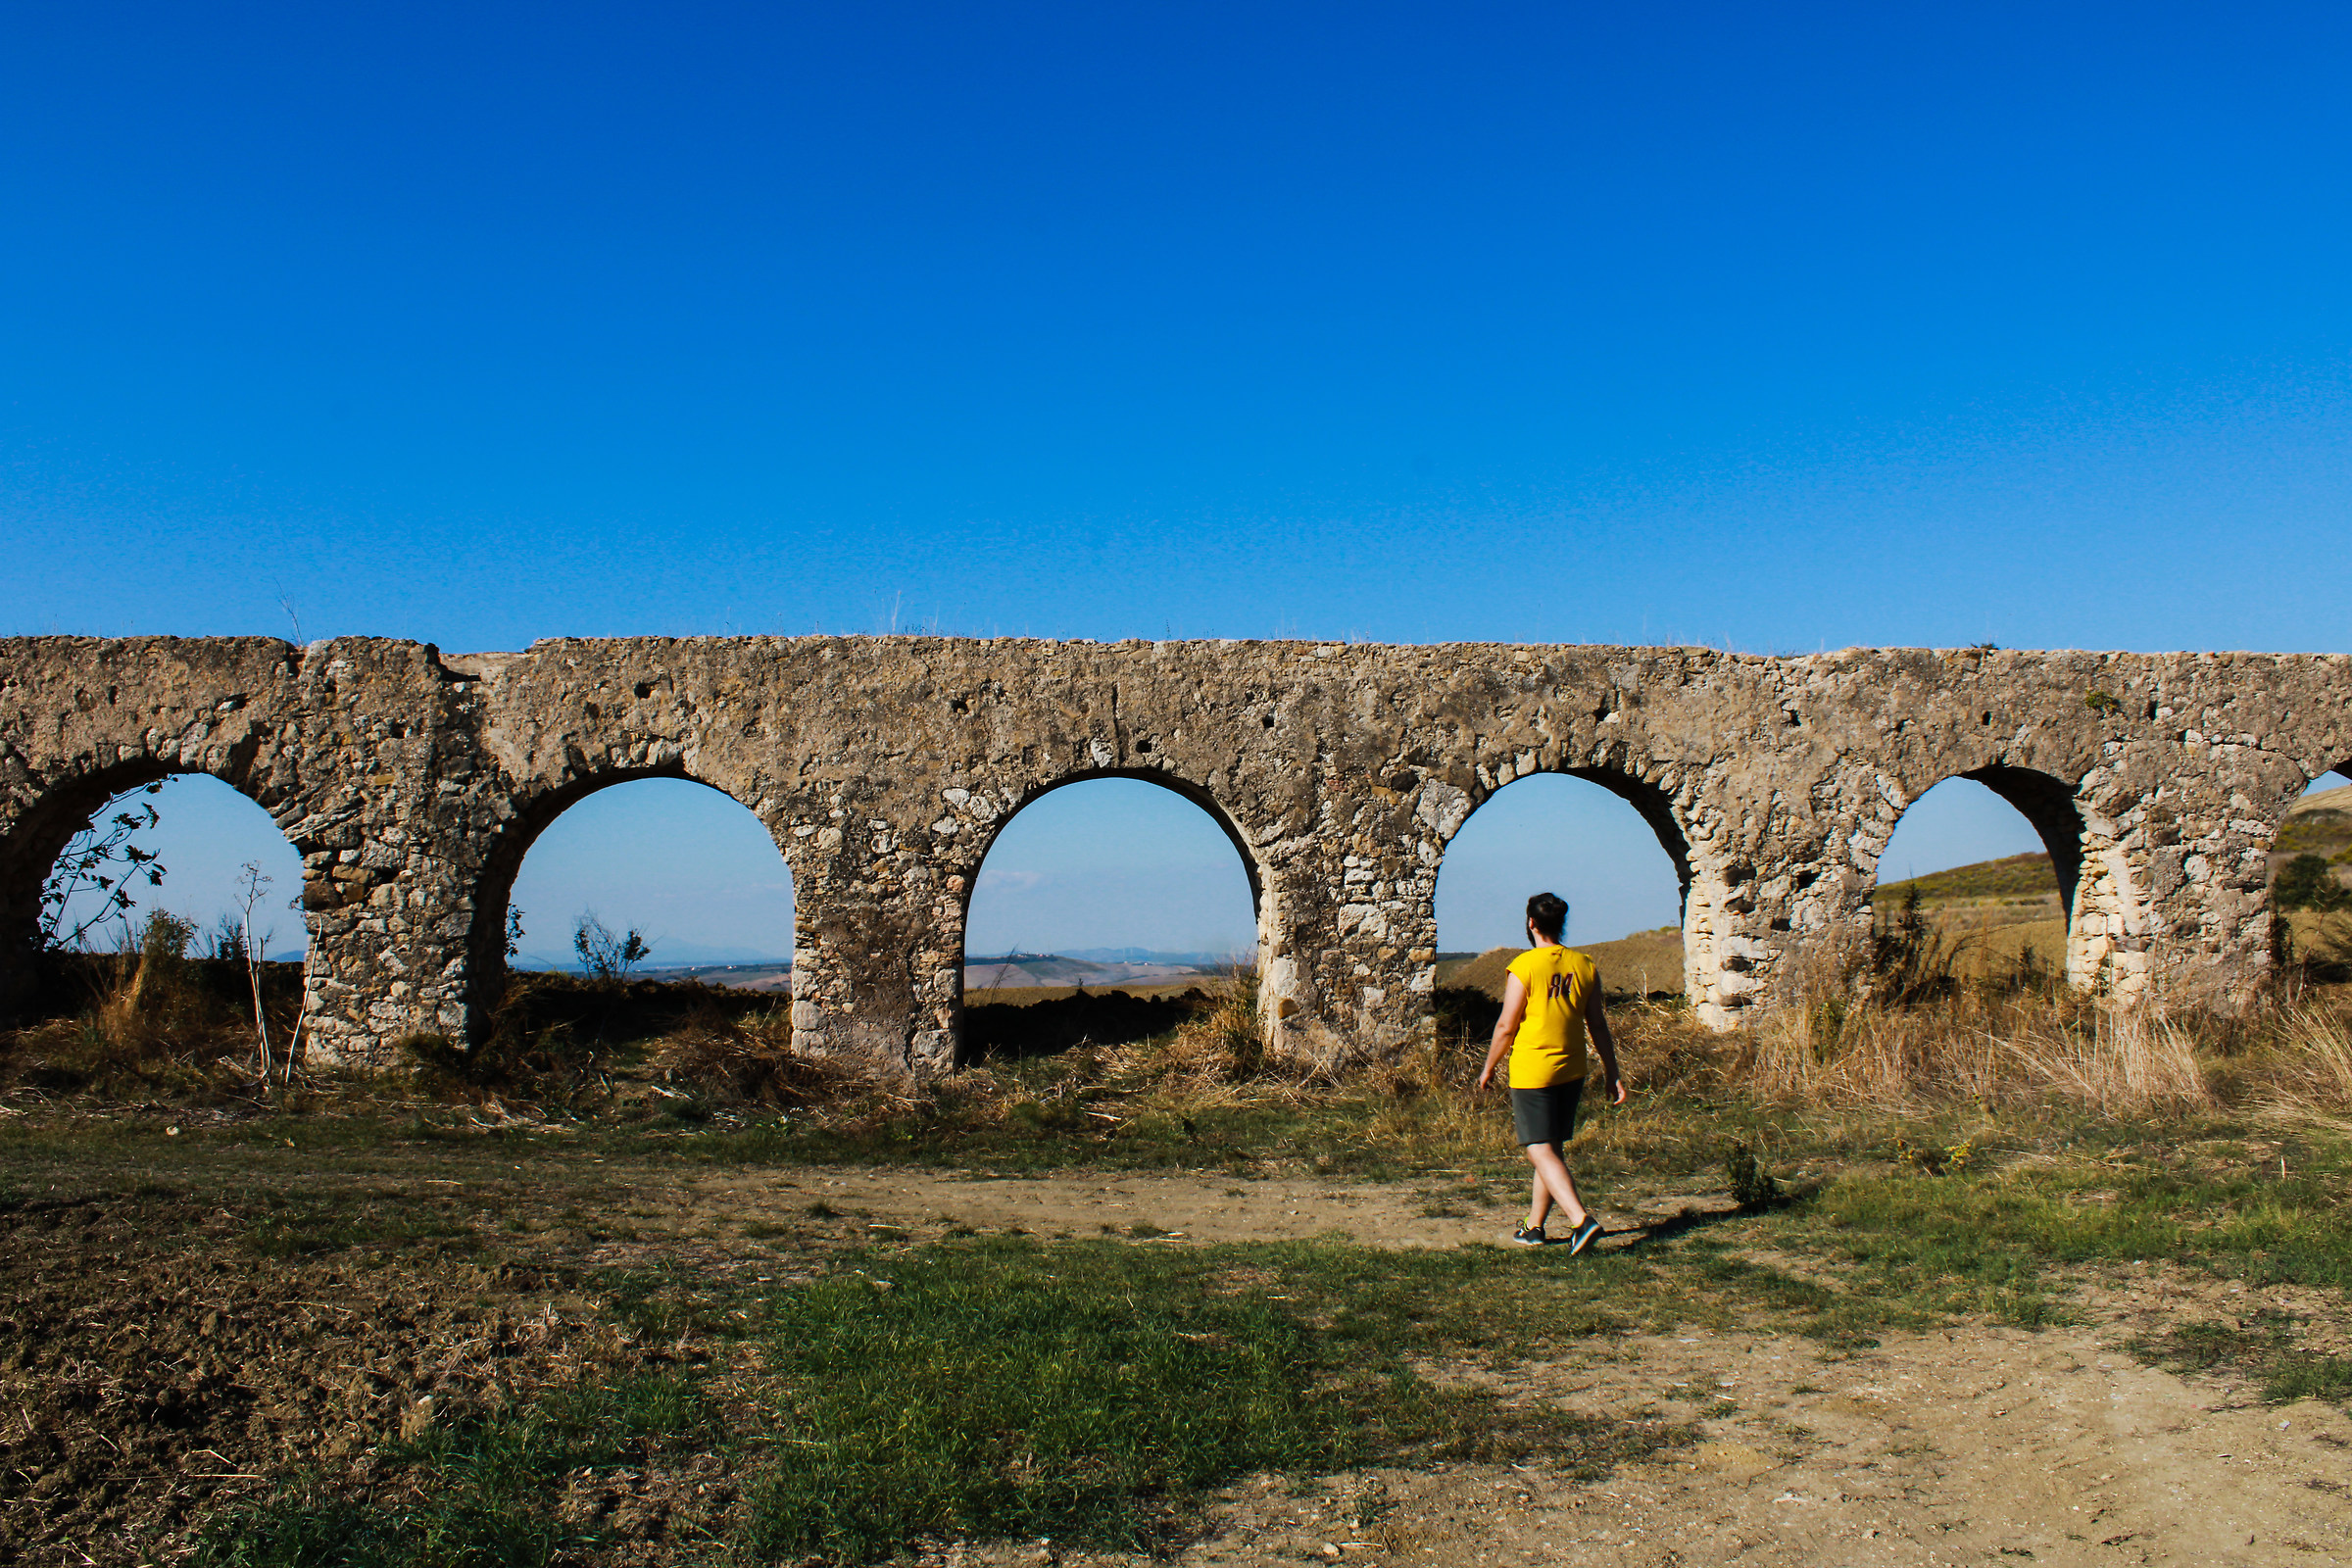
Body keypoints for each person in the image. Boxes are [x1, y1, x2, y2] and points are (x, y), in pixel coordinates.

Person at [1475, 891, 1625, 1253]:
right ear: (1562, 924)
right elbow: (1598, 1024)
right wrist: (1612, 1071)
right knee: (1552, 1147)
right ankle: (1534, 1226)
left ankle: (1581, 1220)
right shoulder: (1585, 964)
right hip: (1572, 1067)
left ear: (1531, 923)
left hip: (1533, 1069)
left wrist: (1488, 1067)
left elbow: (1506, 1026)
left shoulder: (1524, 967)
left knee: (1538, 1148)